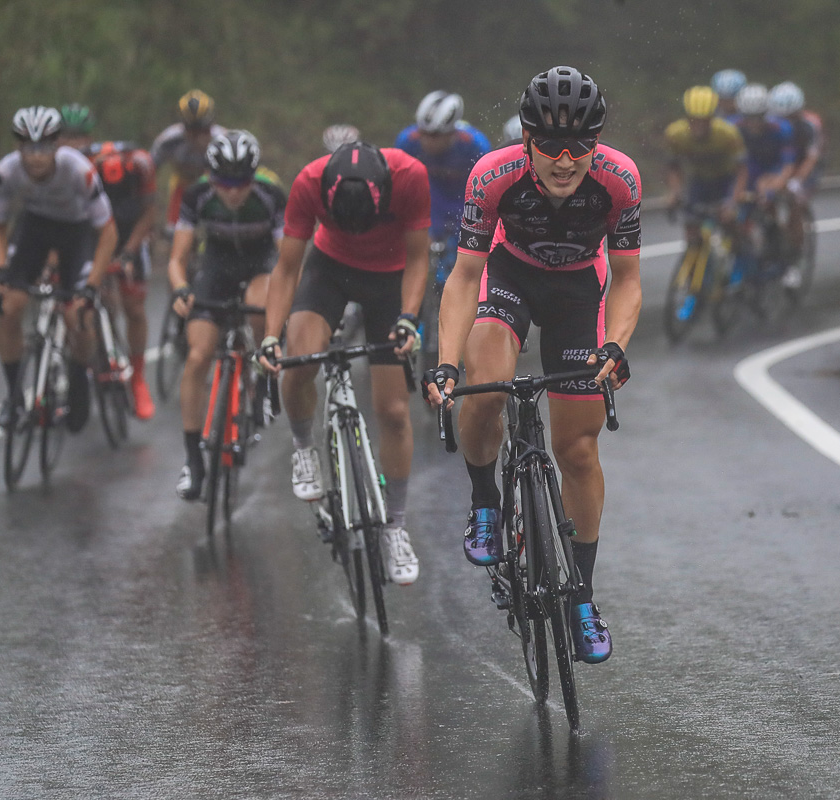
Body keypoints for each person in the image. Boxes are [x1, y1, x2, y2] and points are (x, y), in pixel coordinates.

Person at [423, 66, 642, 665]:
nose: (565, 160)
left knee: (578, 449)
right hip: (509, 277)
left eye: (580, 146)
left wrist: (616, 344)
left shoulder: (619, 180)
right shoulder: (492, 175)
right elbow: (465, 274)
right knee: (485, 388)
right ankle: (486, 503)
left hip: (577, 292)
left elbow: (626, 280)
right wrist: (445, 365)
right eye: (548, 145)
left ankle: (583, 600)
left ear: (597, 143)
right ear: (526, 138)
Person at [256, 141, 430, 586]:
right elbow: (287, 268)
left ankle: (395, 526)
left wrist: (409, 318)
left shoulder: (410, 176)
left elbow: (418, 257)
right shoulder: (309, 181)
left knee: (393, 411)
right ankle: (303, 449)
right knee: (297, 362)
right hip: (329, 270)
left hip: (390, 281)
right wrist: (272, 335)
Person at [168, 130, 285, 501]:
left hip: (259, 265)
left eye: (242, 182)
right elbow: (177, 258)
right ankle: (193, 459)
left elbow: (288, 258)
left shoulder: (270, 197)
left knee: (259, 306)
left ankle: (262, 375)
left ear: (254, 176)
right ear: (211, 177)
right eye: (225, 182)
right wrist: (181, 289)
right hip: (216, 268)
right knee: (199, 355)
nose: (233, 191)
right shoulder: (197, 195)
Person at [0, 106, 118, 432]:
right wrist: (1, 269)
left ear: (57, 145)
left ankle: (78, 375)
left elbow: (108, 232)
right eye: (28, 147)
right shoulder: (6, 172)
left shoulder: (80, 171)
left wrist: (92, 283)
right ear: (18, 147)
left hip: (77, 232)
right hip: (34, 229)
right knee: (10, 307)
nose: (35, 157)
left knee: (78, 316)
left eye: (44, 147)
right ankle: (14, 397)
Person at [59, 103, 158, 419]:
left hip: (129, 232)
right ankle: (97, 351)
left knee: (135, 307)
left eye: (79, 138)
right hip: (92, 233)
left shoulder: (139, 163)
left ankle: (138, 379)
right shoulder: (68, 169)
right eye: (67, 138)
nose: (72, 145)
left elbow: (148, 213)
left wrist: (129, 251)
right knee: (93, 292)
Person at [394, 92, 490, 300]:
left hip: (463, 202)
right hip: (430, 200)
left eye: (436, 136)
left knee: (456, 268)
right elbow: (400, 188)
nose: (428, 141)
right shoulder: (407, 141)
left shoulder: (475, 145)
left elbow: (484, 194)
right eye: (424, 133)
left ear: (452, 132)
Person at [663, 86, 748, 229]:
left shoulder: (728, 134)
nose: (699, 126)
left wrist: (733, 202)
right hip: (698, 181)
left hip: (726, 180)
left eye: (705, 121)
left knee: (731, 223)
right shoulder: (675, 134)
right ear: (687, 117)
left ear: (712, 118)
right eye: (694, 120)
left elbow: (742, 170)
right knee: (691, 226)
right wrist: (675, 192)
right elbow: (673, 167)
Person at [767, 82, 823, 289]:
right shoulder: (770, 123)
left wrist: (796, 182)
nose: (786, 121)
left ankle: (793, 260)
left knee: (795, 205)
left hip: (804, 166)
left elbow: (811, 157)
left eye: (791, 117)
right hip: (782, 164)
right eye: (782, 117)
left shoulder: (810, 124)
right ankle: (773, 236)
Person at [151, 90, 225, 234]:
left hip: (215, 189)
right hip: (182, 187)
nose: (197, 136)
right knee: (174, 232)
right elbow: (150, 170)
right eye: (191, 129)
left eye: (203, 129)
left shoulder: (223, 141)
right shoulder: (169, 141)